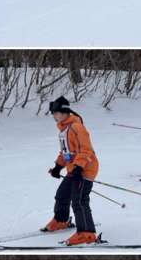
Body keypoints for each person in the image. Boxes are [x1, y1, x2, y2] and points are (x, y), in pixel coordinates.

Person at [42, 96, 99, 246]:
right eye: (53, 114)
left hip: (85, 168)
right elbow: (66, 152)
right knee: (62, 194)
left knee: (79, 200)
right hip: (74, 169)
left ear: (64, 112)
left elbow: (86, 149)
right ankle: (61, 220)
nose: (54, 116)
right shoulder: (63, 130)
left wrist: (79, 167)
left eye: (56, 113)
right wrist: (58, 167)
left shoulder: (77, 127)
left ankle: (86, 233)